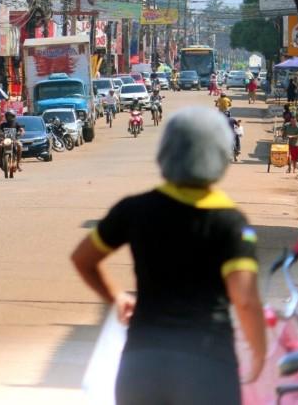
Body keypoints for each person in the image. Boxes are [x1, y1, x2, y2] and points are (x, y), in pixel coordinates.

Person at [70, 108, 266, 405]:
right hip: (208, 365)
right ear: (220, 155)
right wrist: (259, 350)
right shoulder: (231, 223)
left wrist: (117, 298)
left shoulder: (134, 209)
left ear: (165, 152)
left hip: (142, 365)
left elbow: (83, 259)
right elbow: (245, 300)